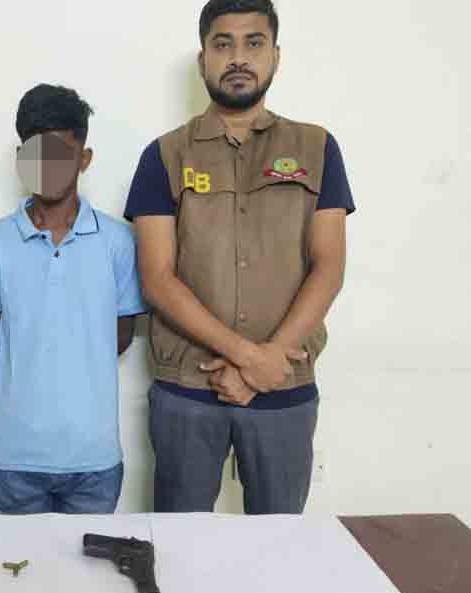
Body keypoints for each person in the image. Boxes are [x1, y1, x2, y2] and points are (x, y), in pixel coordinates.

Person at [124, 0, 356, 514]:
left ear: (276, 55)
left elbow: (329, 266)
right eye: (222, 44)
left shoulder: (317, 147)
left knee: (278, 543)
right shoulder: (164, 155)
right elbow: (157, 278)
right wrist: (251, 359)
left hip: (284, 386)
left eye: (254, 43)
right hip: (188, 388)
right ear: (202, 58)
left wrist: (270, 360)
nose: (238, 58)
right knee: (179, 545)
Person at [0, 84, 147, 514]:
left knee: (88, 558)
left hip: (94, 457)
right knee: (6, 558)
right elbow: (1, 335)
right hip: (15, 456)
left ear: (85, 158)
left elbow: (120, 335)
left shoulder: (118, 241)